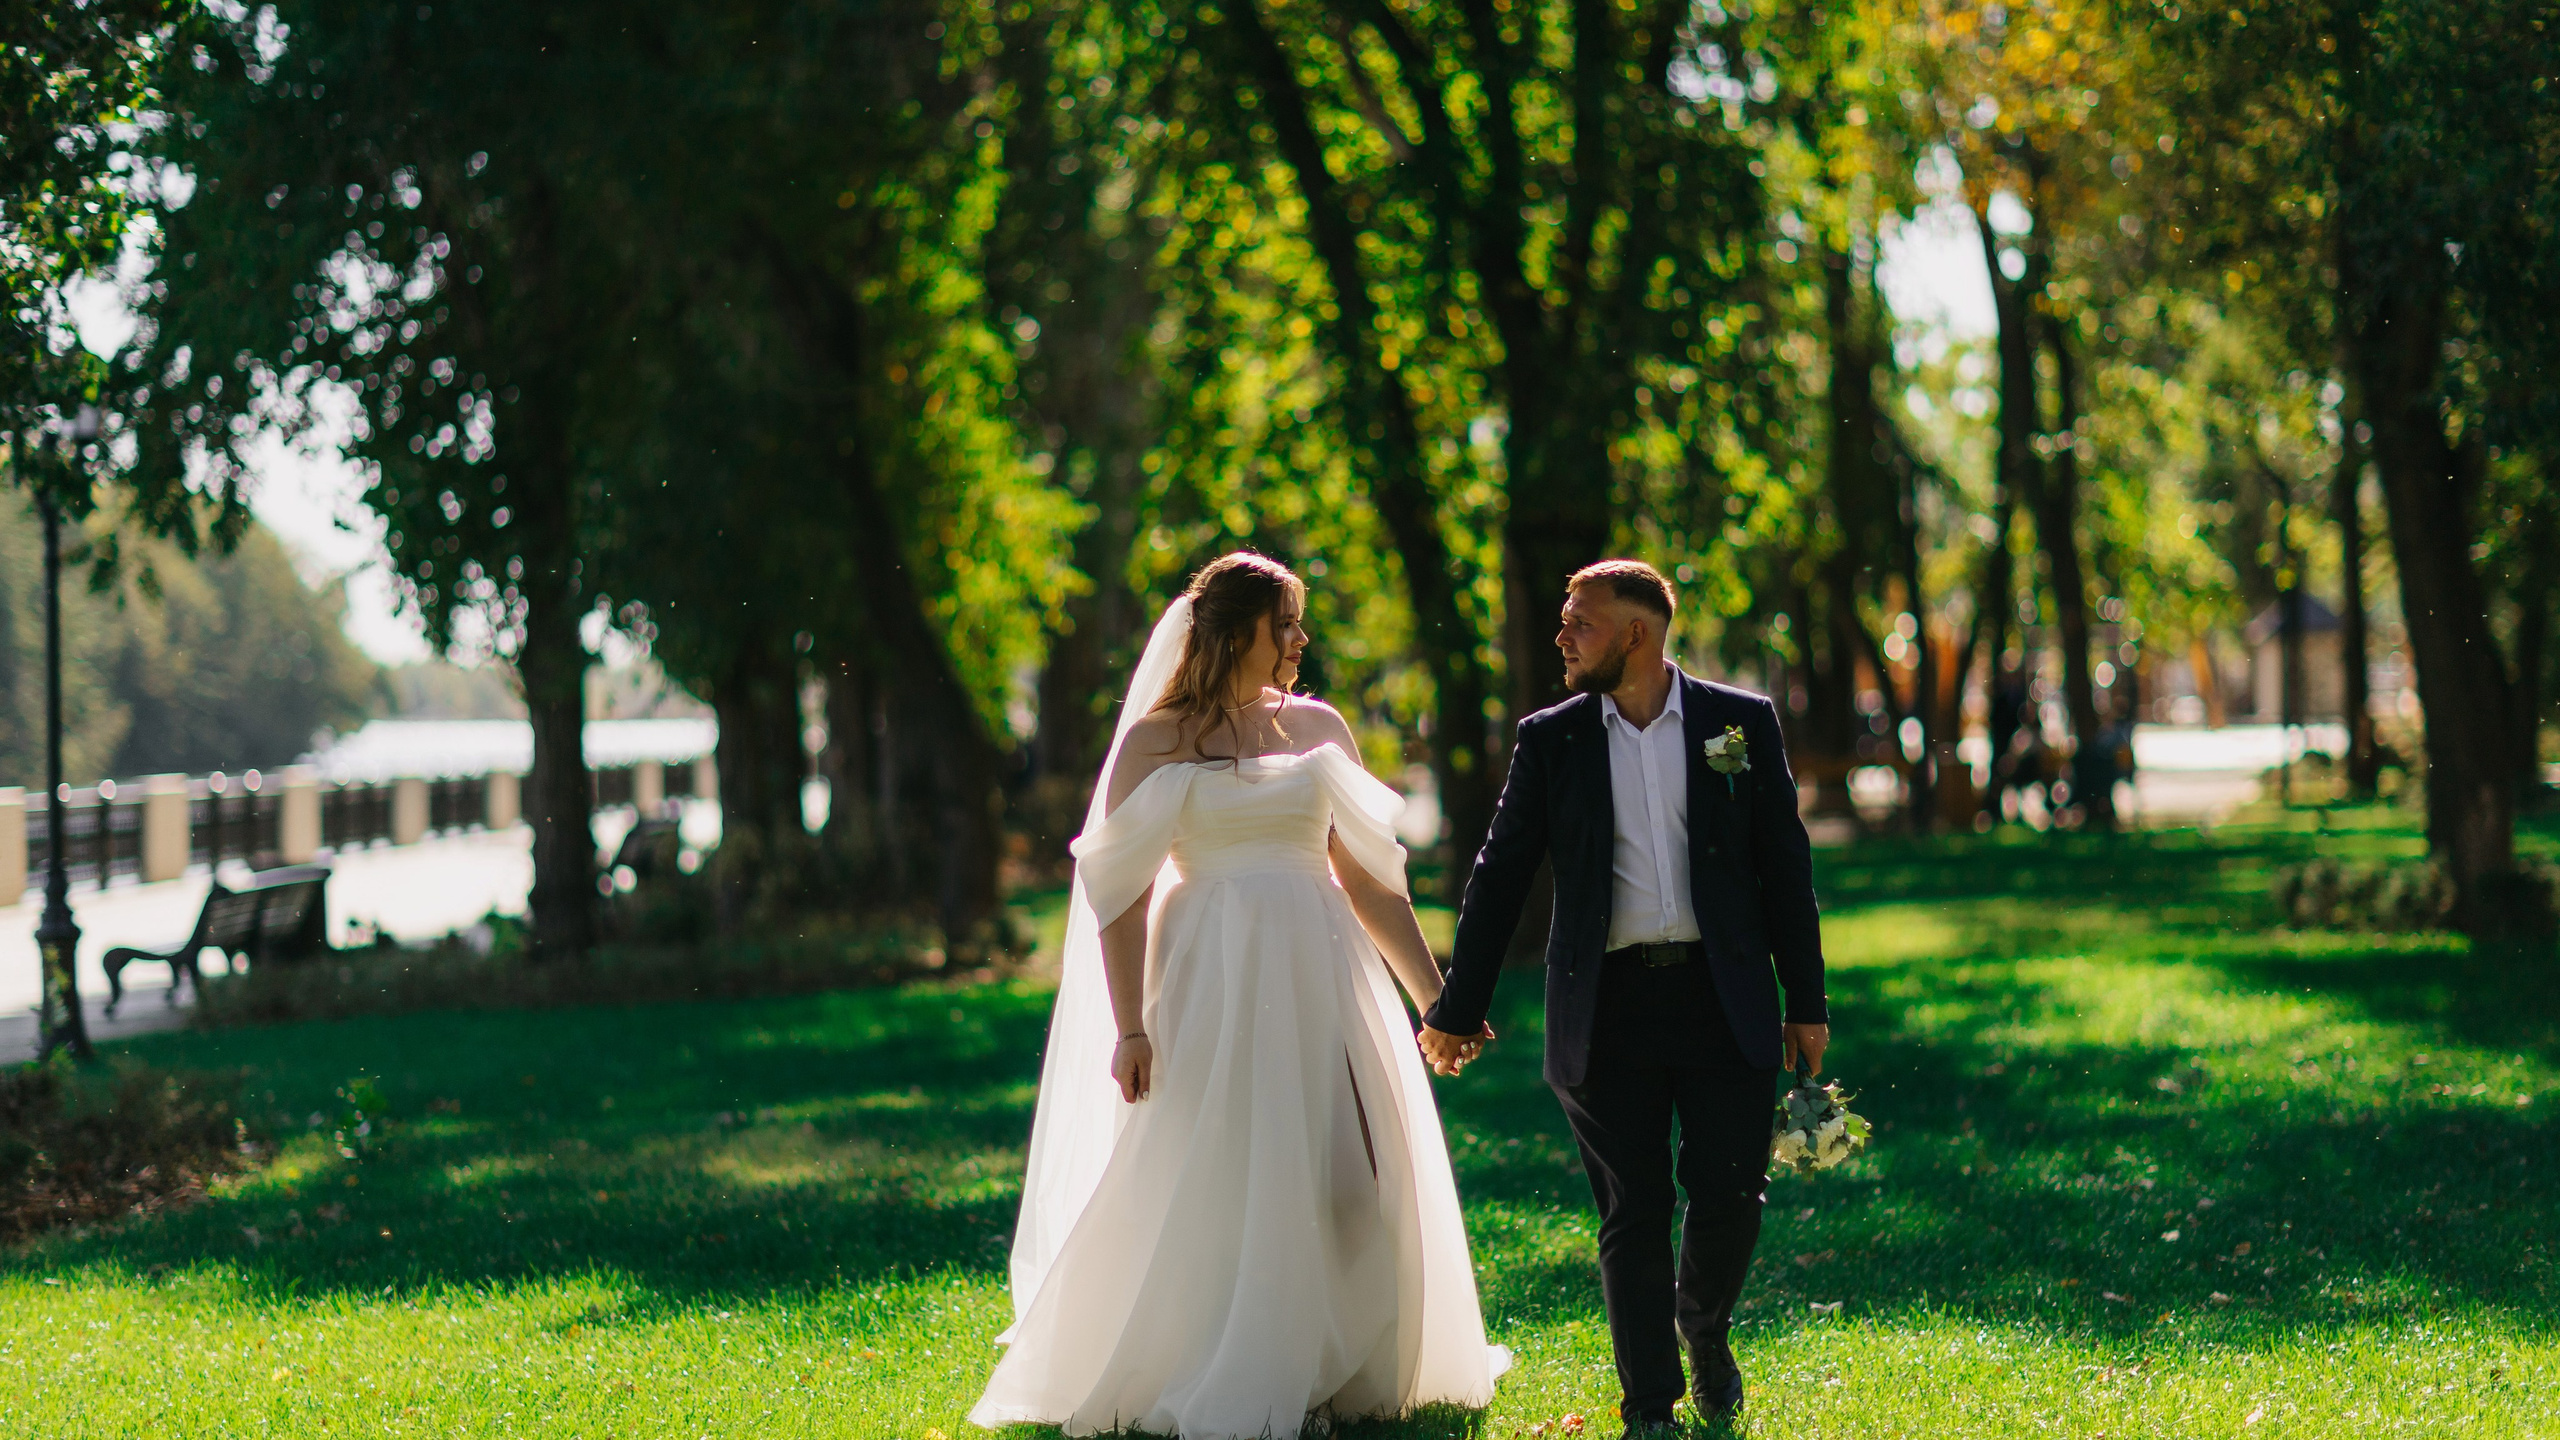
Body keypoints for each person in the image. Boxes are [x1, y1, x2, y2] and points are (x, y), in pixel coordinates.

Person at [973, 552, 1509, 1439]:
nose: (1300, 639)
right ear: (1234, 635)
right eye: (1286, 623)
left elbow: (1369, 881)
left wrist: (1436, 1000)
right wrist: (1130, 1027)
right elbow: (1122, 894)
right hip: (1209, 975)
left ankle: (1341, 1355)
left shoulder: (1320, 727)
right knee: (1221, 1175)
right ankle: (1230, 1360)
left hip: (1320, 967)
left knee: (1348, 1176)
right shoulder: (1154, 742)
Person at [1419, 560, 1829, 1436]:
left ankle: (1703, 1330)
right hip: (1605, 1008)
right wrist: (1456, 1006)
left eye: (1581, 622)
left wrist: (1807, 1000)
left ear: (1636, 633)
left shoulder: (1739, 723)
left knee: (1728, 1196)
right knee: (1632, 1211)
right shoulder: (1551, 738)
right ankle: (1650, 1403)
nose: (1562, 635)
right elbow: (1498, 879)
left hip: (1725, 999)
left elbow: (1784, 867)